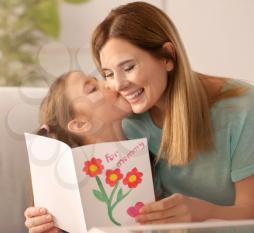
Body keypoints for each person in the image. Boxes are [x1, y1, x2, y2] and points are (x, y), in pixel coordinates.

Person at [91, 1, 254, 224]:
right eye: (108, 73)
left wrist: (202, 213)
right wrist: (52, 218)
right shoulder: (128, 119)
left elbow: (250, 212)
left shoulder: (241, 107)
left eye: (128, 67)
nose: (118, 85)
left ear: (168, 57)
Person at [24, 70, 133, 233]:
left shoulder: (151, 146)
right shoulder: (72, 193)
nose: (110, 83)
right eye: (92, 89)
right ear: (80, 124)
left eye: (99, 80)